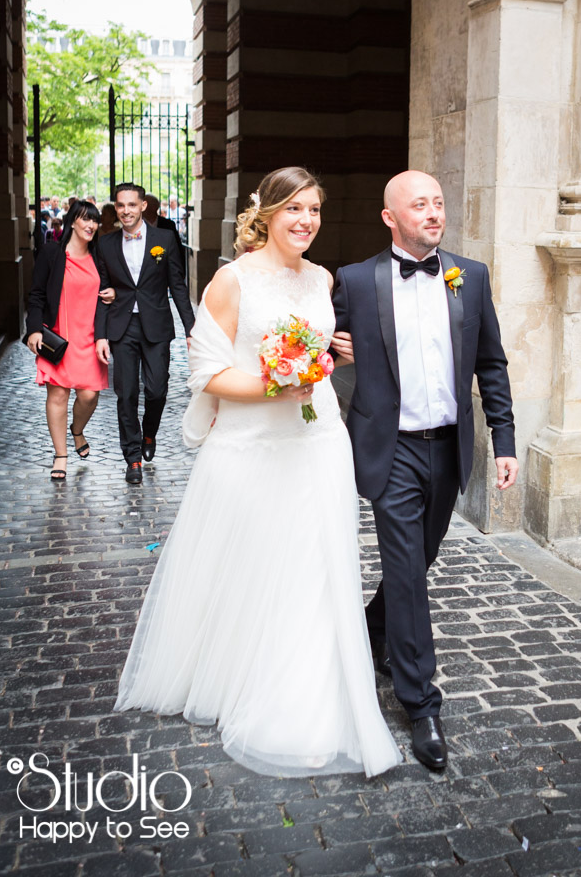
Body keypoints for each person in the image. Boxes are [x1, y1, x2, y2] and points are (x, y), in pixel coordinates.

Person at [114, 166, 402, 779]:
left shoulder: (323, 278)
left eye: (315, 210)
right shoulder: (231, 280)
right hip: (252, 444)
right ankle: (240, 674)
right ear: (267, 213)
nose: (306, 221)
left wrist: (328, 355)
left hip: (320, 438)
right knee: (255, 564)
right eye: (294, 208)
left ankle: (311, 684)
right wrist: (278, 383)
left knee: (313, 567)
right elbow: (207, 374)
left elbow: (316, 351)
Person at [331, 170, 518, 771]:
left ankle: (372, 628)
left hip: (448, 446)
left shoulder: (471, 275)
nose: (434, 213)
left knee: (420, 558)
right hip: (392, 448)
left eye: (438, 202)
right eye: (420, 205)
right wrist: (332, 351)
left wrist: (506, 440)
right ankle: (421, 702)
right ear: (390, 217)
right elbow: (316, 351)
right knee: (407, 570)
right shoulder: (356, 282)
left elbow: (491, 362)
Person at [95, 184, 195, 484]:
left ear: (143, 207)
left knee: (157, 390)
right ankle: (133, 458)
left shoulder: (164, 239)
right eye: (120, 205)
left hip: (156, 325)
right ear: (116, 208)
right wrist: (100, 335)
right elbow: (100, 292)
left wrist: (192, 329)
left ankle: (149, 433)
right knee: (125, 394)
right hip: (121, 326)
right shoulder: (106, 244)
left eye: (131, 205)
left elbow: (177, 285)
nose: (126, 210)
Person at [26, 200, 115, 481]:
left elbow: (110, 291)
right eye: (85, 219)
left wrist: (111, 292)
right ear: (72, 222)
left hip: (89, 338)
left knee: (89, 395)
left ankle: (77, 430)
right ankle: (60, 455)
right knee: (58, 395)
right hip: (58, 338)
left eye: (95, 221)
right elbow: (37, 294)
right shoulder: (52, 253)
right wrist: (33, 330)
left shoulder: (99, 258)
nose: (90, 225)